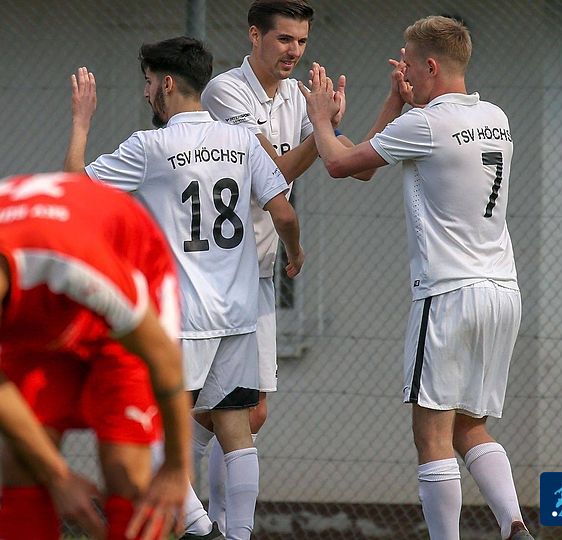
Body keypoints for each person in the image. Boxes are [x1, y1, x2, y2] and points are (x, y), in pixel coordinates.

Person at [299, 15, 531, 540]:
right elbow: (371, 164)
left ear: (430, 66)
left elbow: (341, 165)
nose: (400, 69)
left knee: (431, 436)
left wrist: (320, 119)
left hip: (447, 294)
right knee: (471, 426)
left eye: (406, 61)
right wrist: (396, 102)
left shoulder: (426, 124)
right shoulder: (495, 116)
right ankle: (515, 525)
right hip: (501, 291)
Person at [65, 36, 302, 540]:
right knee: (236, 430)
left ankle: (199, 529)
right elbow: (283, 212)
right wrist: (295, 253)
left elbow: (73, 190)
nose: (146, 92)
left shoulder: (150, 146)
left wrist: (82, 121)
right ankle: (238, 534)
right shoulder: (242, 140)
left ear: (167, 83)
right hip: (239, 313)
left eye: (148, 81)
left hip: (183, 317)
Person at [0, 172, 193, 540]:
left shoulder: (69, 259)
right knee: (22, 461)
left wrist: (176, 468)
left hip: (120, 289)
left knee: (123, 465)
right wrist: (58, 476)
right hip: (39, 308)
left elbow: (164, 360)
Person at [199, 1, 366, 529]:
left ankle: (202, 509)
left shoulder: (299, 96)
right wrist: (320, 129)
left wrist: (386, 105)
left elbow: (354, 166)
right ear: (255, 35)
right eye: (284, 39)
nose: (295, 51)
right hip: (217, 275)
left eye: (302, 41)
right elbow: (270, 173)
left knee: (250, 414)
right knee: (231, 411)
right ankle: (196, 509)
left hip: (260, 272)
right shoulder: (225, 91)